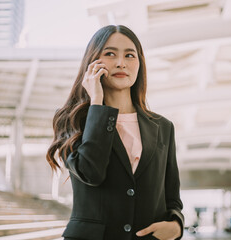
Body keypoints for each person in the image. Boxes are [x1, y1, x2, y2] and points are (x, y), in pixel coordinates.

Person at [46, 25, 184, 240]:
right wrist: (97, 105)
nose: (121, 63)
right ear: (92, 62)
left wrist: (176, 226)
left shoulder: (163, 127)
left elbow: (172, 197)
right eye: (110, 54)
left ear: (139, 64)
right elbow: (91, 172)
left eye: (130, 55)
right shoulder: (71, 120)